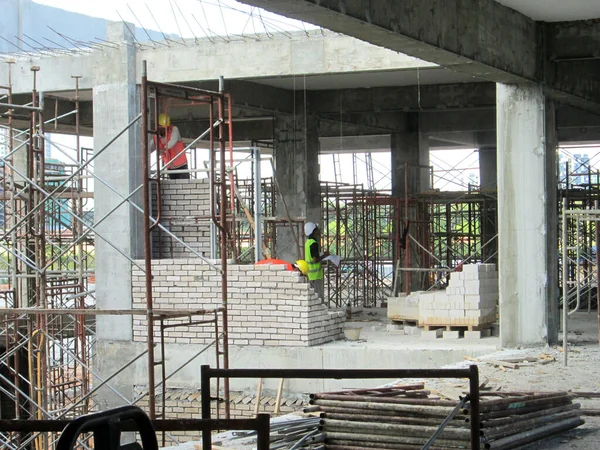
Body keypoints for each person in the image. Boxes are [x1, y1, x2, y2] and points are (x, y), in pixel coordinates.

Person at [152, 113, 190, 180]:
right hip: (170, 167)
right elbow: (149, 148)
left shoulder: (174, 129)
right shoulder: (156, 137)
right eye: (163, 128)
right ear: (158, 126)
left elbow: (172, 142)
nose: (165, 129)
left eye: (166, 127)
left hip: (181, 165)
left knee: (184, 187)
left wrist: (162, 150)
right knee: (173, 187)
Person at [304, 222, 329, 301]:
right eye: (317, 229)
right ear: (314, 231)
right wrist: (325, 255)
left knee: (312, 297)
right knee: (318, 297)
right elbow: (315, 260)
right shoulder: (314, 244)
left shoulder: (307, 243)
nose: (318, 231)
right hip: (316, 275)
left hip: (310, 274)